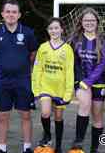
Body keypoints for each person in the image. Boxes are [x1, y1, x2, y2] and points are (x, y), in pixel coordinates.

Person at [0, 0, 38, 153]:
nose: (11, 14)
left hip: (23, 80)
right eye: (8, 11)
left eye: (14, 12)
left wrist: (19, 66)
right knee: (2, 116)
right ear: (2, 14)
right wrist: (5, 66)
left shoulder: (28, 33)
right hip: (3, 81)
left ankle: (27, 148)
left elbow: (33, 54)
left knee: (26, 115)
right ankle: (2, 149)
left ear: (19, 14)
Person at [68, 7, 105, 153]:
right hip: (81, 81)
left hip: (99, 82)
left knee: (97, 116)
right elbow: (74, 64)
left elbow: (103, 64)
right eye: (86, 20)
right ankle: (78, 143)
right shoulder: (75, 40)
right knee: (84, 105)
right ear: (81, 22)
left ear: (97, 22)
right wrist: (80, 81)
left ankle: (94, 148)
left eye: (92, 20)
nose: (89, 22)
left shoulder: (104, 40)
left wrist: (89, 81)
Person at [31, 17, 74, 153]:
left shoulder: (67, 49)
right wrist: (36, 88)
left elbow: (69, 71)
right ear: (47, 30)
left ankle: (59, 145)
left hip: (60, 89)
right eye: (51, 28)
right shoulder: (43, 47)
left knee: (58, 117)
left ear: (61, 29)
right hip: (45, 87)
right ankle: (48, 134)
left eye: (56, 28)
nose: (54, 30)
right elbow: (37, 69)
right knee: (45, 112)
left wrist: (68, 92)